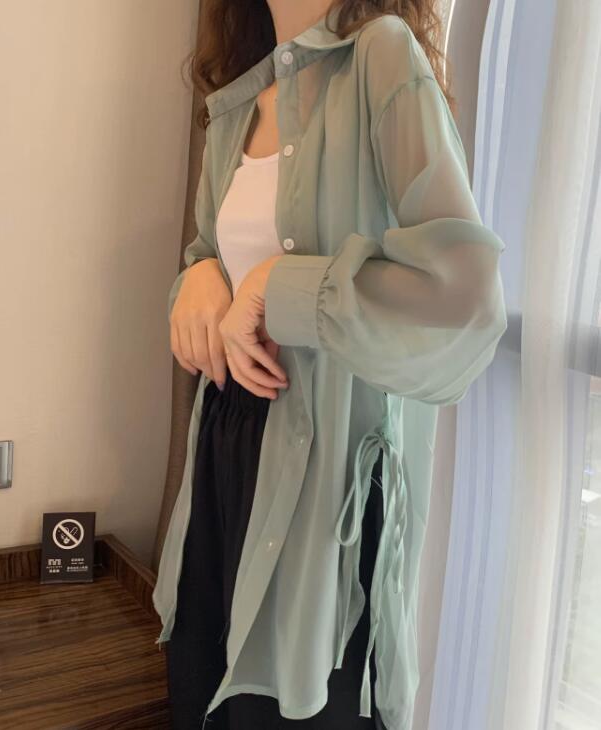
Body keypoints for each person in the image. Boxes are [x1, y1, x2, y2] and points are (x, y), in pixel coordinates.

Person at [154, 1, 508, 729]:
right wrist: (197, 277)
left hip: (326, 483)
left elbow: (465, 300)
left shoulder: (382, 56)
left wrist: (279, 287)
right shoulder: (238, 98)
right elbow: (211, 258)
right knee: (201, 696)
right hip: (223, 458)